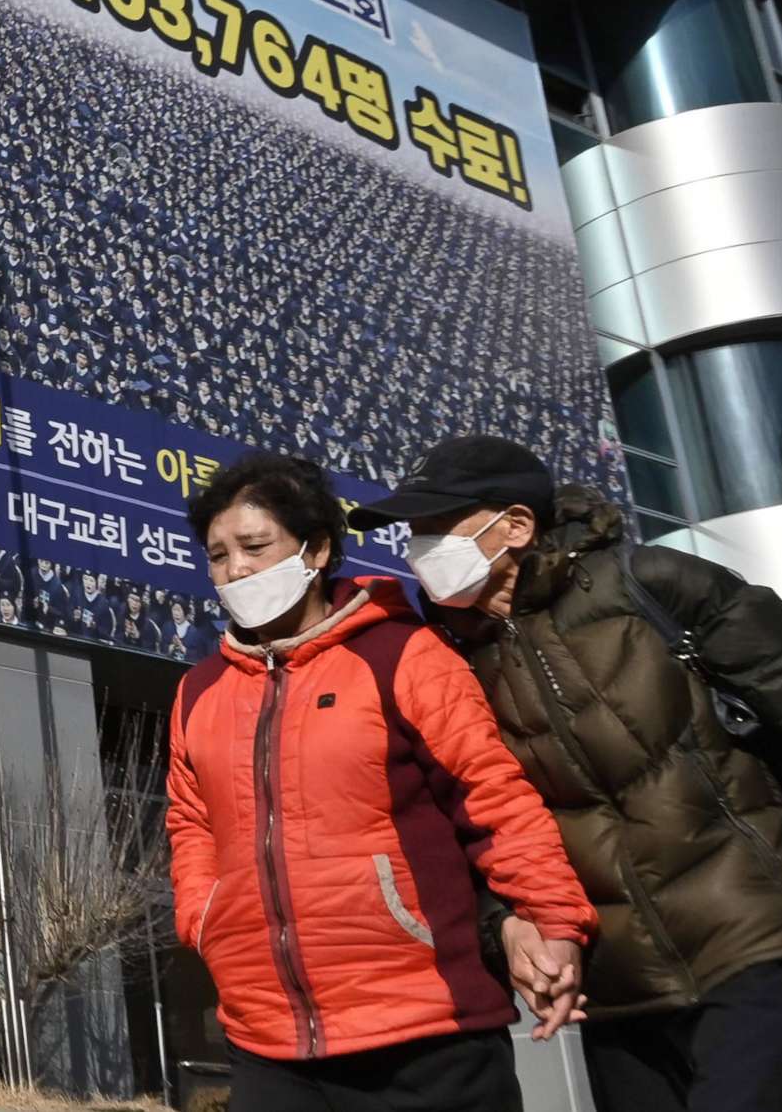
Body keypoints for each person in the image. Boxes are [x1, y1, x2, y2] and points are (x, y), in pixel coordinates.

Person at [349, 435, 782, 1112]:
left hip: (748, 926)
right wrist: (505, 928)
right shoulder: (439, 660)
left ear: (515, 526)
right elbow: (460, 824)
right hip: (614, 980)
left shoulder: (659, 585)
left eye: (437, 527)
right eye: (413, 532)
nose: (418, 548)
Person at [169, 451, 595, 1111]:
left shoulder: (403, 654)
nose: (236, 570)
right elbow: (190, 823)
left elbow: (493, 801)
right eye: (218, 555)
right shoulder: (199, 692)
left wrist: (554, 919)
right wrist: (204, 917)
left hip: (427, 1034)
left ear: (315, 551)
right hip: (268, 1044)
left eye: (254, 547)